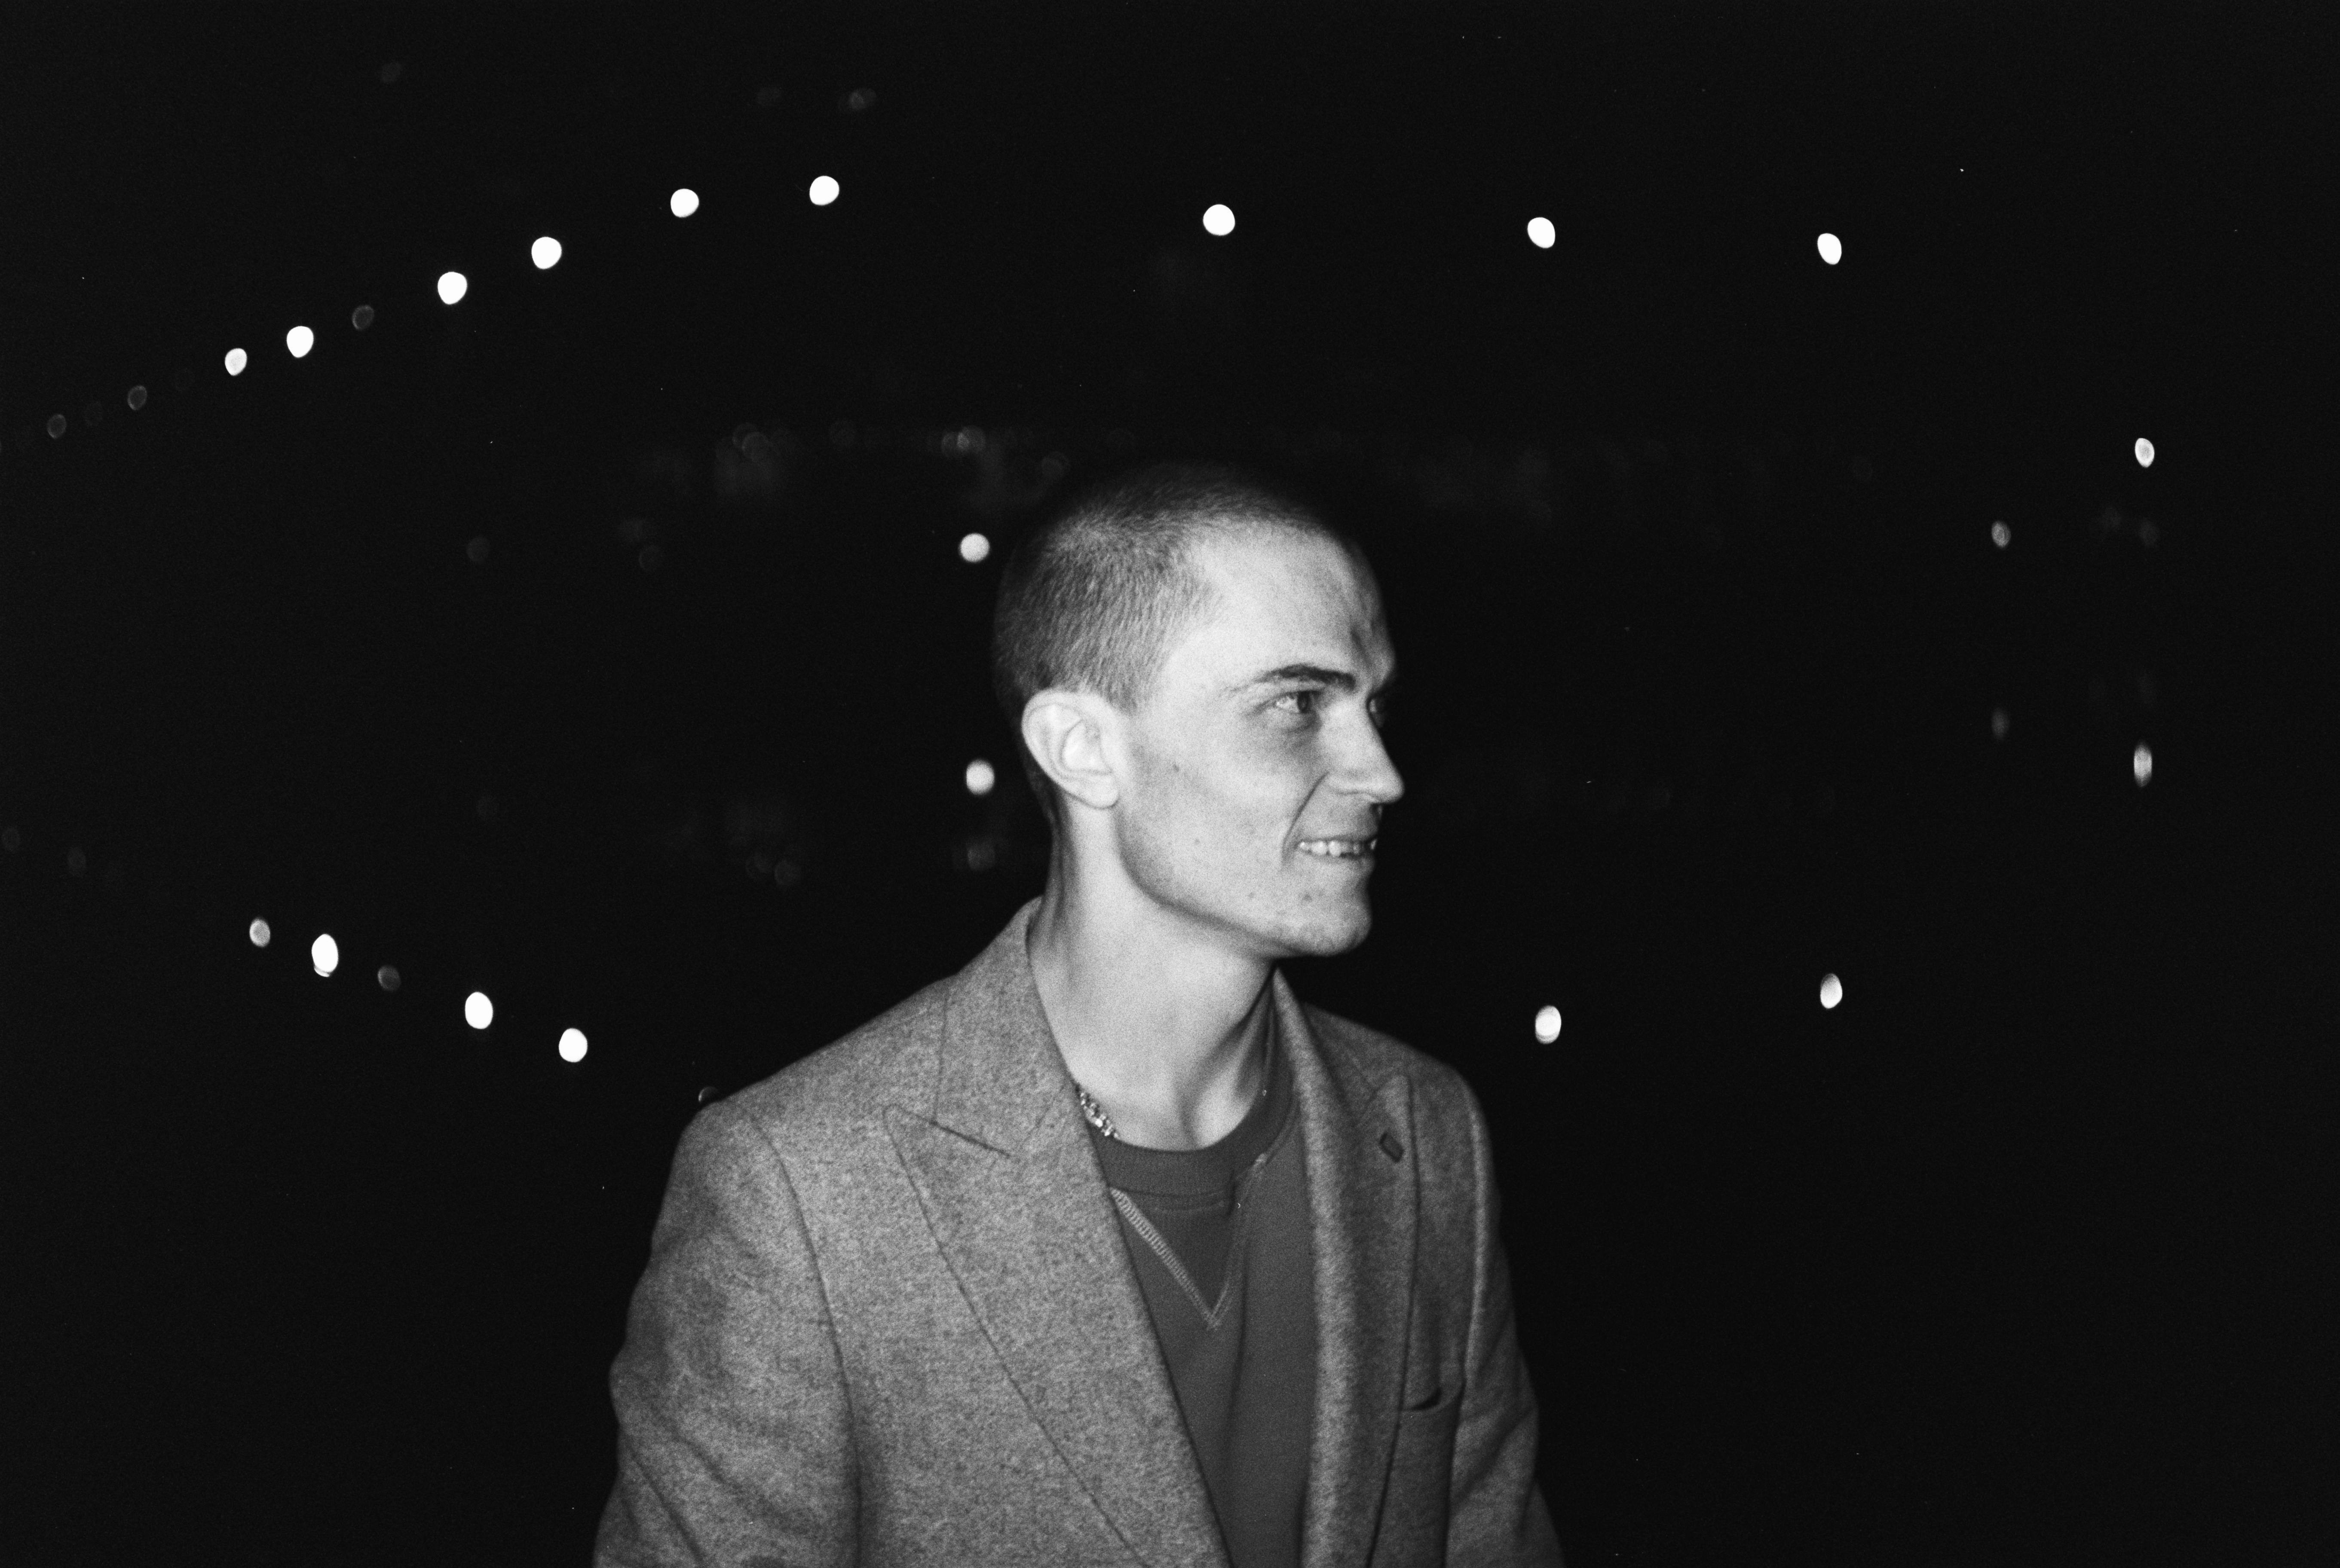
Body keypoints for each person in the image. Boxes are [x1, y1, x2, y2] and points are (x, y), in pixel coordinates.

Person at [595, 462, 1562, 1567]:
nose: (1382, 770)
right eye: (1298, 705)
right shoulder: (799, 1191)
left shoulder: (1428, 1130)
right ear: (1083, 749)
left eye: (1373, 702)